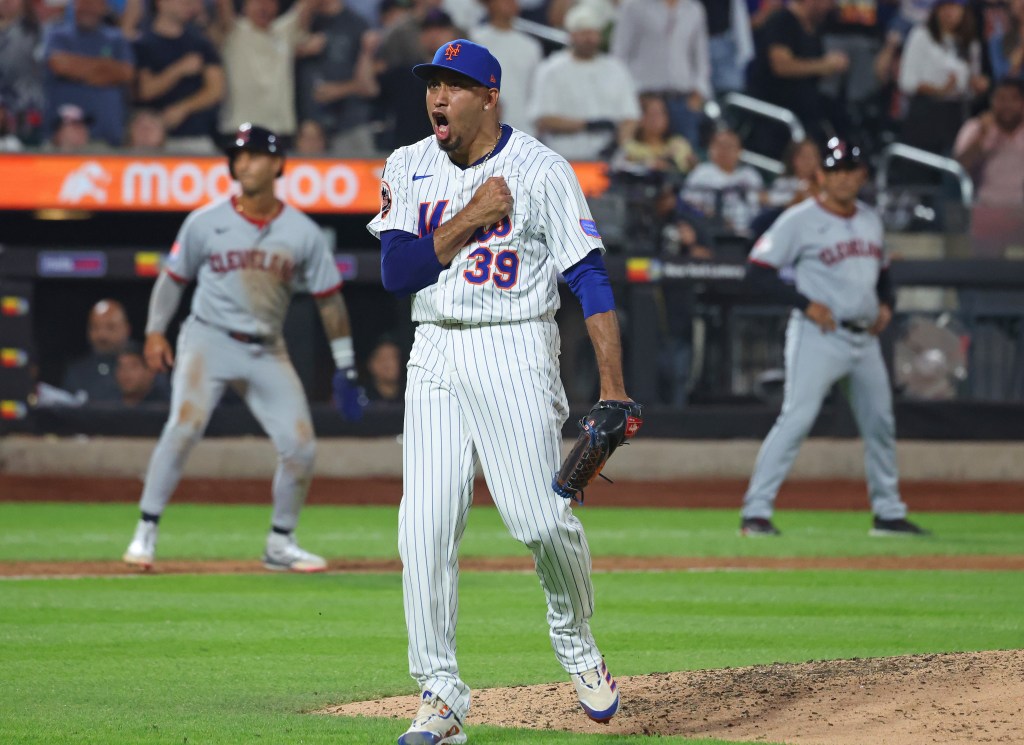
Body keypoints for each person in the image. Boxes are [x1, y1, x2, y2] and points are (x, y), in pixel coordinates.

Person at [367, 38, 637, 744]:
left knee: (541, 521)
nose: (437, 96)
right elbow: (396, 272)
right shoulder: (407, 164)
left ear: (489, 96)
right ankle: (441, 694)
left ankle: (576, 642)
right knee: (422, 527)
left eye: (454, 85)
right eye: (433, 83)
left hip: (514, 344)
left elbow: (589, 277)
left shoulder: (542, 169)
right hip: (434, 350)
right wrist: (473, 216)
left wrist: (612, 383)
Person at [122, 123, 365, 573]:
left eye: (253, 154)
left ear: (276, 164)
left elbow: (330, 300)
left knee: (301, 447)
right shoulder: (205, 220)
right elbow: (172, 280)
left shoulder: (302, 232)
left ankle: (280, 542)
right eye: (238, 155)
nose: (243, 162)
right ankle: (146, 530)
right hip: (208, 338)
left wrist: (346, 364)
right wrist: (155, 331)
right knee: (184, 426)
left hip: (267, 349)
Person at [739, 138, 929, 538]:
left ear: (862, 175)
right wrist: (804, 303)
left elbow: (883, 276)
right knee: (796, 419)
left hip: (864, 340)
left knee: (880, 423)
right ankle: (756, 513)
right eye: (835, 169)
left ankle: (889, 513)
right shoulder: (799, 219)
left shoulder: (870, 219)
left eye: (851, 169)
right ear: (821, 175)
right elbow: (757, 270)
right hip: (818, 335)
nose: (843, 177)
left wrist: (887, 305)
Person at [531, 3, 641, 160]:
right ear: (571, 35)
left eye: (593, 33)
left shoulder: (616, 69)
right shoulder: (551, 69)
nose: (589, 39)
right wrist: (586, 125)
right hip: (564, 157)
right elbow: (543, 119)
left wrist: (618, 144)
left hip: (607, 158)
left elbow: (630, 116)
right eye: (583, 33)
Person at [745, 0, 850, 154]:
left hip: (805, 112)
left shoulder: (814, 28)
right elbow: (781, 66)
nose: (829, 7)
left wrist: (830, 68)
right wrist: (824, 65)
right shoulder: (782, 20)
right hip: (775, 113)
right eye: (826, 2)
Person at [611, 0, 711, 147]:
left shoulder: (693, 9)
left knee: (684, 159)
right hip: (642, 99)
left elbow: (701, 58)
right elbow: (619, 55)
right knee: (638, 156)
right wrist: (631, 94)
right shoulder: (634, 7)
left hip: (682, 99)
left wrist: (699, 91)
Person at [898, 0, 988, 159]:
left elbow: (970, 88)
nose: (949, 12)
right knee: (921, 170)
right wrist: (940, 90)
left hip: (956, 115)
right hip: (924, 114)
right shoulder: (921, 35)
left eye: (954, 7)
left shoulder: (970, 43)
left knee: (951, 171)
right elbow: (907, 82)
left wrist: (976, 85)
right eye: (944, 6)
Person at [132, 0, 225, 152]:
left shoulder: (200, 42)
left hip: (196, 138)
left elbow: (216, 90)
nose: (187, 3)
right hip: (153, 141)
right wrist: (178, 70)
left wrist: (182, 108)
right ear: (161, 3)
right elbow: (145, 90)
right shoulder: (143, 43)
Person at [42, 0, 135, 147]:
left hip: (107, 140)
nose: (89, 7)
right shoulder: (57, 34)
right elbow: (59, 65)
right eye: (84, 2)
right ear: (74, 4)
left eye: (95, 3)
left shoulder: (116, 38)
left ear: (105, 7)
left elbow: (125, 73)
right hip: (63, 140)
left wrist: (77, 69)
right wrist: (106, 69)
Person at [469, 0, 543, 135]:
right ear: (490, 4)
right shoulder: (475, 39)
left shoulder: (531, 46)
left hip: (523, 127)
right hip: (483, 125)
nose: (510, 4)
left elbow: (535, 90)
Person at [681, 128, 765, 237]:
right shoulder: (702, 172)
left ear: (739, 151)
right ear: (711, 148)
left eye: (730, 146)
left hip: (750, 232)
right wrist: (718, 218)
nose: (724, 150)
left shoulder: (750, 175)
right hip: (713, 232)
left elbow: (764, 201)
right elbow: (688, 205)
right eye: (720, 145)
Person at [954, 78, 1024, 207]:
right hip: (984, 206)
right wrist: (981, 137)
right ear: (992, 101)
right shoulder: (975, 128)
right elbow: (958, 172)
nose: (1007, 105)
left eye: (1013, 99)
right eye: (1001, 99)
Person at [63, 298, 132, 402]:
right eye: (95, 327)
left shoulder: (144, 368)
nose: (102, 335)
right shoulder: (77, 373)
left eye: (110, 327)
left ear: (127, 329)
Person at [115, 341, 170, 406]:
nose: (125, 372)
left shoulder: (164, 406)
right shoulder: (108, 403)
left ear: (150, 371)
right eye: (121, 367)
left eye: (133, 366)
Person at [364, 336, 403, 401]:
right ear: (371, 364)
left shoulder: (413, 396)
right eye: (383, 359)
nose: (390, 364)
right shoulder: (363, 400)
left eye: (394, 357)